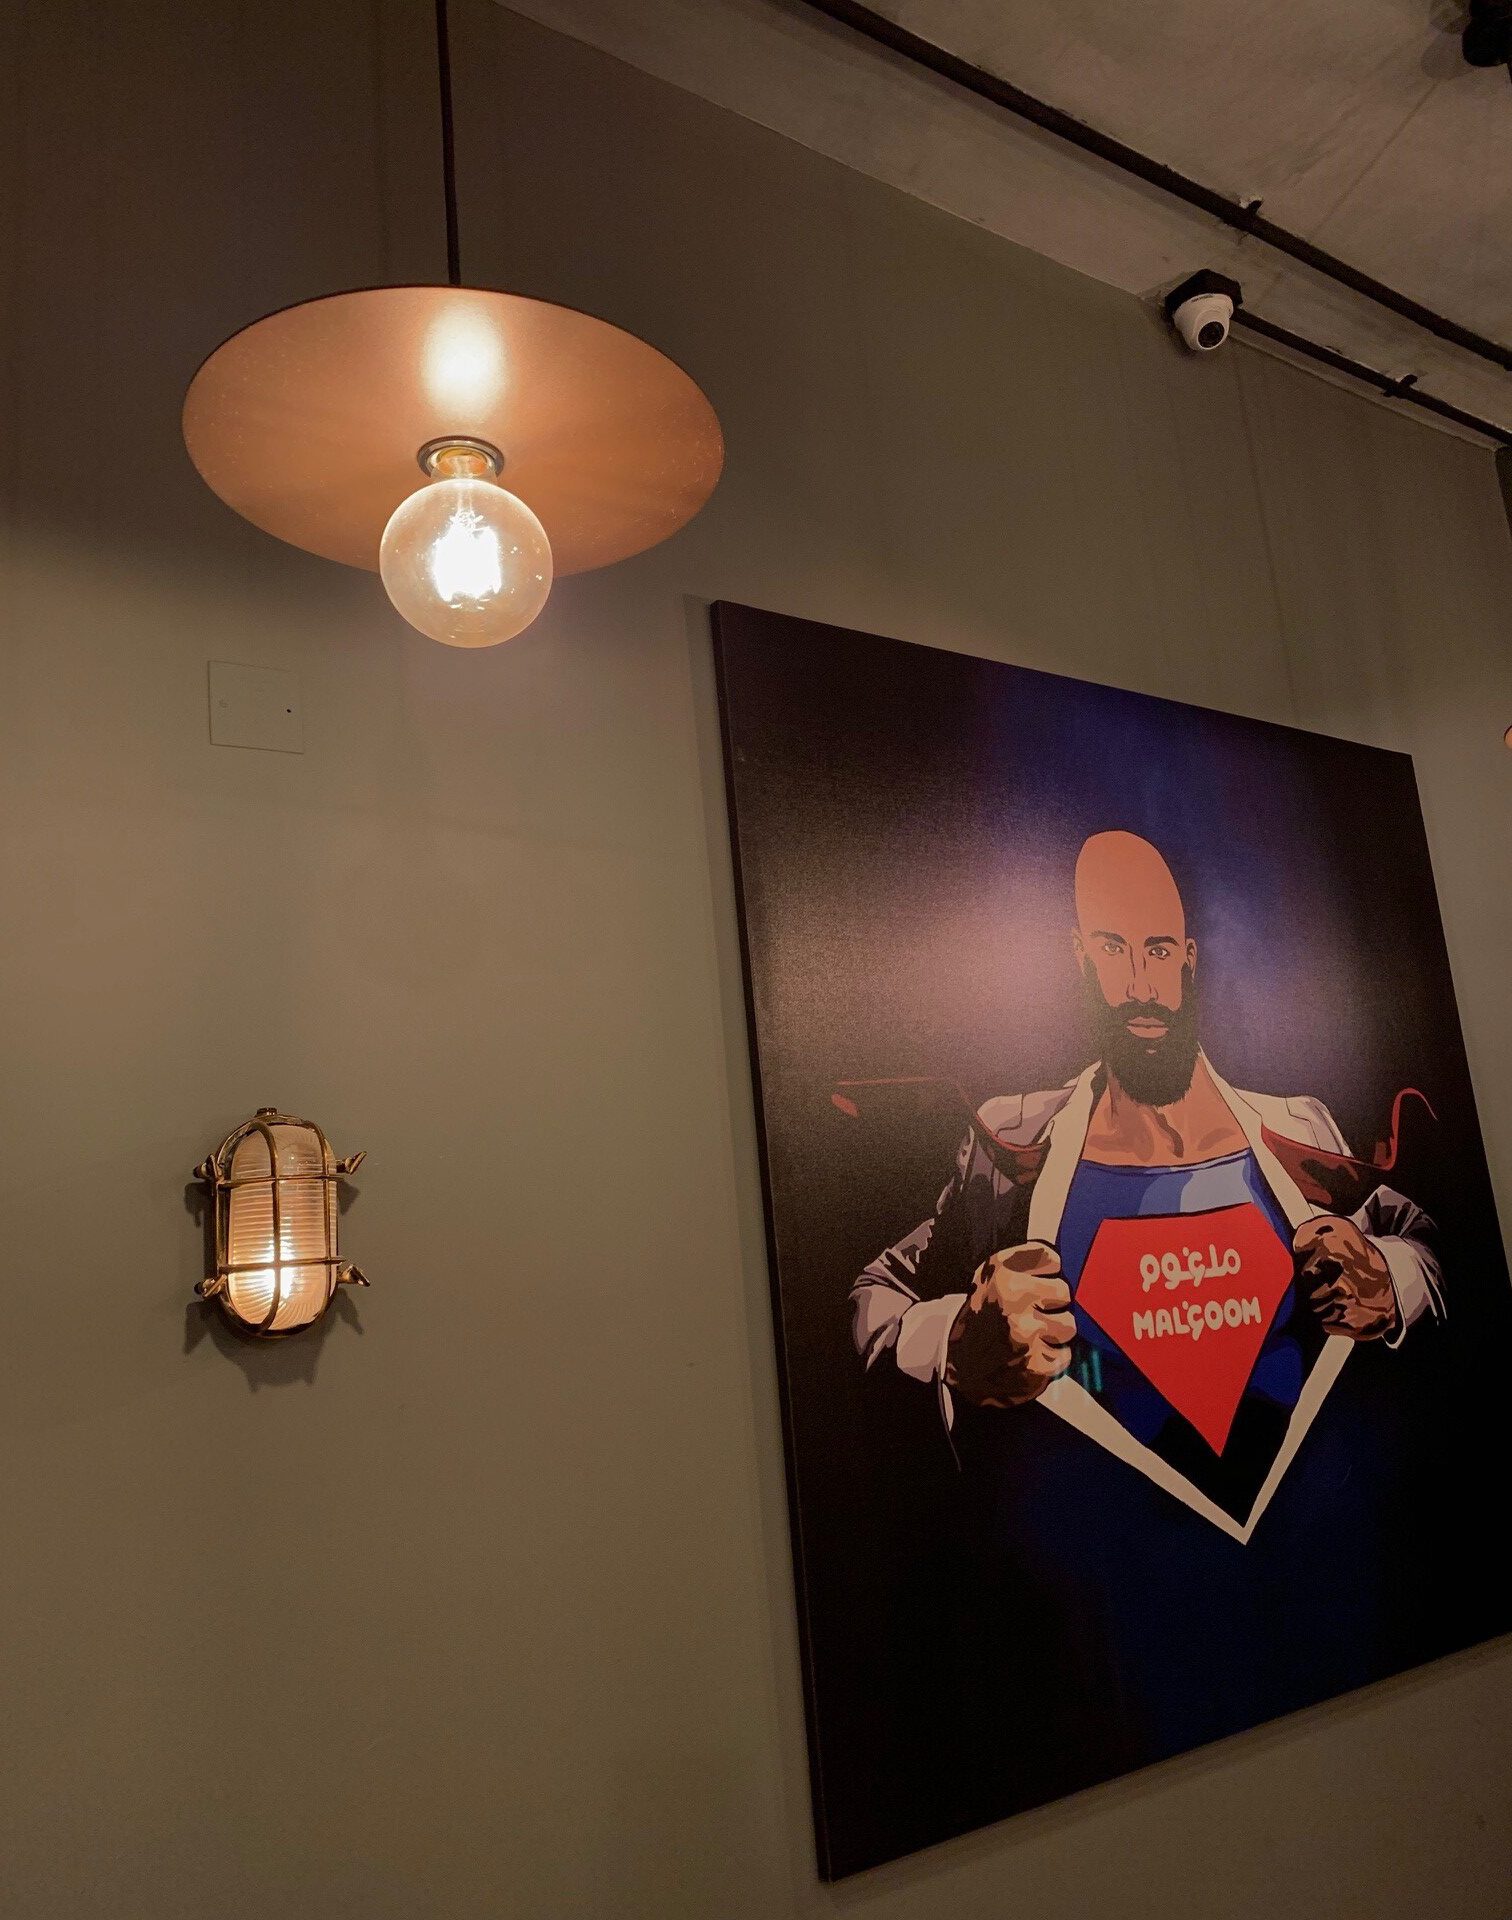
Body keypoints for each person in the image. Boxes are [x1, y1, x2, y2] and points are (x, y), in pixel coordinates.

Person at [851, 830, 1443, 1534]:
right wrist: (954, 1343)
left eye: (1158, 950)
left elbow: (1431, 1243)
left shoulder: (1301, 1129)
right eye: (1112, 948)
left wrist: (1391, 1278)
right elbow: (875, 1298)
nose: (1139, 985)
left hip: (1317, 1550)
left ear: (1188, 959)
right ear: (1079, 955)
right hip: (1088, 1567)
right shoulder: (1011, 1140)